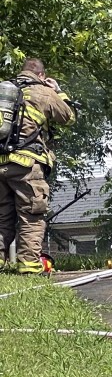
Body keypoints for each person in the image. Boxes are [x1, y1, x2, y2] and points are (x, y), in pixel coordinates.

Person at [0, 58, 76, 274]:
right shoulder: (43, 92)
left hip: (1, 163)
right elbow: (69, 117)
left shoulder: (5, 91)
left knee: (2, 217)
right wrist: (59, 92)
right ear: (41, 75)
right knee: (31, 215)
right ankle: (29, 265)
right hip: (27, 165)